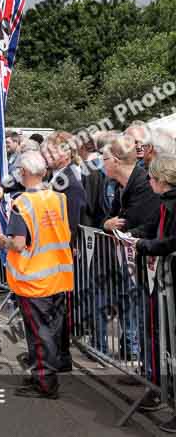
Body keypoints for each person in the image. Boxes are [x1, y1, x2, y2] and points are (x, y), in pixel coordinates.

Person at [0, 150, 73, 399]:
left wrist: (3, 241)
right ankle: (41, 373)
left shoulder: (22, 203)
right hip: (59, 274)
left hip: (33, 278)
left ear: (25, 173)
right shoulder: (59, 199)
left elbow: (18, 243)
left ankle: (45, 382)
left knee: (39, 333)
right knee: (50, 330)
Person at [131, 153, 176, 419]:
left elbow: (171, 241)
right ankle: (161, 389)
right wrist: (134, 236)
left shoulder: (172, 204)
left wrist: (142, 246)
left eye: (150, 177)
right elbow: (152, 227)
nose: (148, 181)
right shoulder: (164, 202)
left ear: (161, 179)